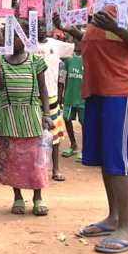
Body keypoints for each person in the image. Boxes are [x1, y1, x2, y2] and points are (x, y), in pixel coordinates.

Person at [57, 0, 128, 254]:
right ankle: (113, 217)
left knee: (118, 158)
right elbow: (94, 42)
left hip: (117, 90)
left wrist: (118, 29)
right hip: (96, 89)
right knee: (106, 157)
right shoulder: (101, 3)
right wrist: (69, 31)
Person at [0, 19, 53, 216]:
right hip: (10, 118)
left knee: (35, 160)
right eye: (8, 36)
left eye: (16, 35)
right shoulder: (2, 61)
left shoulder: (35, 61)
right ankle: (17, 196)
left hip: (32, 116)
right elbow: (0, 86)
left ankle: (37, 197)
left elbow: (43, 88)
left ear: (26, 38)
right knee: (13, 160)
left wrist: (47, 113)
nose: (12, 40)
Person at [36, 21, 75, 181]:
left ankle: (56, 168)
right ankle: (38, 169)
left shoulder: (55, 44)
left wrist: (70, 25)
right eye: (38, 25)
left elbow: (77, 46)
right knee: (34, 136)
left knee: (55, 135)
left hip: (51, 96)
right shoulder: (28, 46)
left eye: (44, 25)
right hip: (32, 97)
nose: (41, 28)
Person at [61, 39, 84, 160]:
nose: (77, 45)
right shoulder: (68, 59)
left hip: (83, 98)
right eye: (76, 42)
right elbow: (63, 77)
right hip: (70, 96)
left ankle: (86, 149)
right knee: (67, 119)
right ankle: (73, 144)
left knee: (84, 123)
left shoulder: (89, 58)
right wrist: (61, 94)